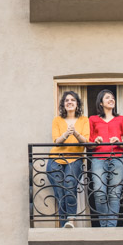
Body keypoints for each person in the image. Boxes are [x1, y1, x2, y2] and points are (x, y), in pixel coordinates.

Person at [49, 91, 90, 228]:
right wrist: (66, 133)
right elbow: (56, 141)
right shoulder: (57, 120)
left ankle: (71, 221)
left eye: (72, 100)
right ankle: (64, 225)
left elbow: (85, 141)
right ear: (63, 104)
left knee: (69, 186)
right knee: (60, 192)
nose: (69, 102)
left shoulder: (84, 120)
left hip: (75, 159)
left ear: (77, 104)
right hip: (55, 159)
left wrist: (75, 133)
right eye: (66, 100)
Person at [88, 89, 123, 228]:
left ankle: (110, 227)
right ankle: (104, 226)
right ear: (101, 102)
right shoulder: (93, 119)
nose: (111, 99)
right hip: (98, 158)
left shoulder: (121, 119)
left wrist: (119, 141)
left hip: (118, 158)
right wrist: (95, 141)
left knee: (114, 194)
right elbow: (89, 143)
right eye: (107, 98)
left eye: (113, 98)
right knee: (99, 192)